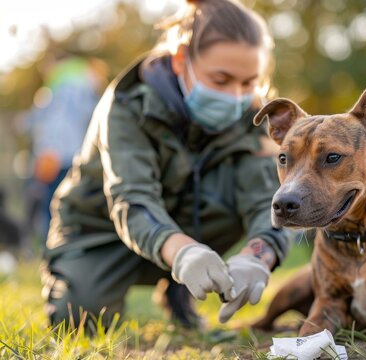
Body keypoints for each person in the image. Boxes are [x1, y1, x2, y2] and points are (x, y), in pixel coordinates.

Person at [41, 0, 293, 329]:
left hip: (188, 218)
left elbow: (265, 198)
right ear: (180, 60)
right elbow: (132, 199)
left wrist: (258, 256)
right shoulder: (127, 106)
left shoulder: (251, 114)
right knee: (78, 319)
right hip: (100, 229)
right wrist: (183, 253)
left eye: (248, 83)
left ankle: (179, 286)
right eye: (220, 80)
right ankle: (84, 272)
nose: (235, 96)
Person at [24, 54, 107, 245]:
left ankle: (50, 247)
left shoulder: (52, 91)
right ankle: (70, 245)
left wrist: (23, 123)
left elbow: (35, 122)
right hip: (78, 156)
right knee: (72, 204)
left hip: (51, 157)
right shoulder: (88, 90)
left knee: (49, 206)